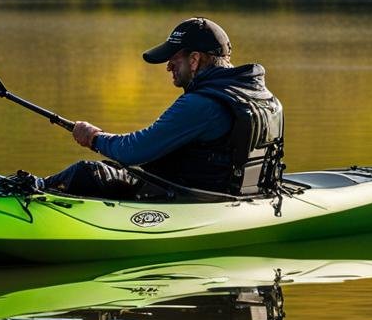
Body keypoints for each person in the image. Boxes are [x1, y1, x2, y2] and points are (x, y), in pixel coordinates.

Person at [42, 17, 284, 199]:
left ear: (195, 59)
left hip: (192, 200)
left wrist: (94, 137)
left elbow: (134, 151)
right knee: (108, 171)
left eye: (174, 60)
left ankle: (27, 191)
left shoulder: (200, 105)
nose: (168, 67)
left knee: (86, 172)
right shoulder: (263, 96)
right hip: (241, 195)